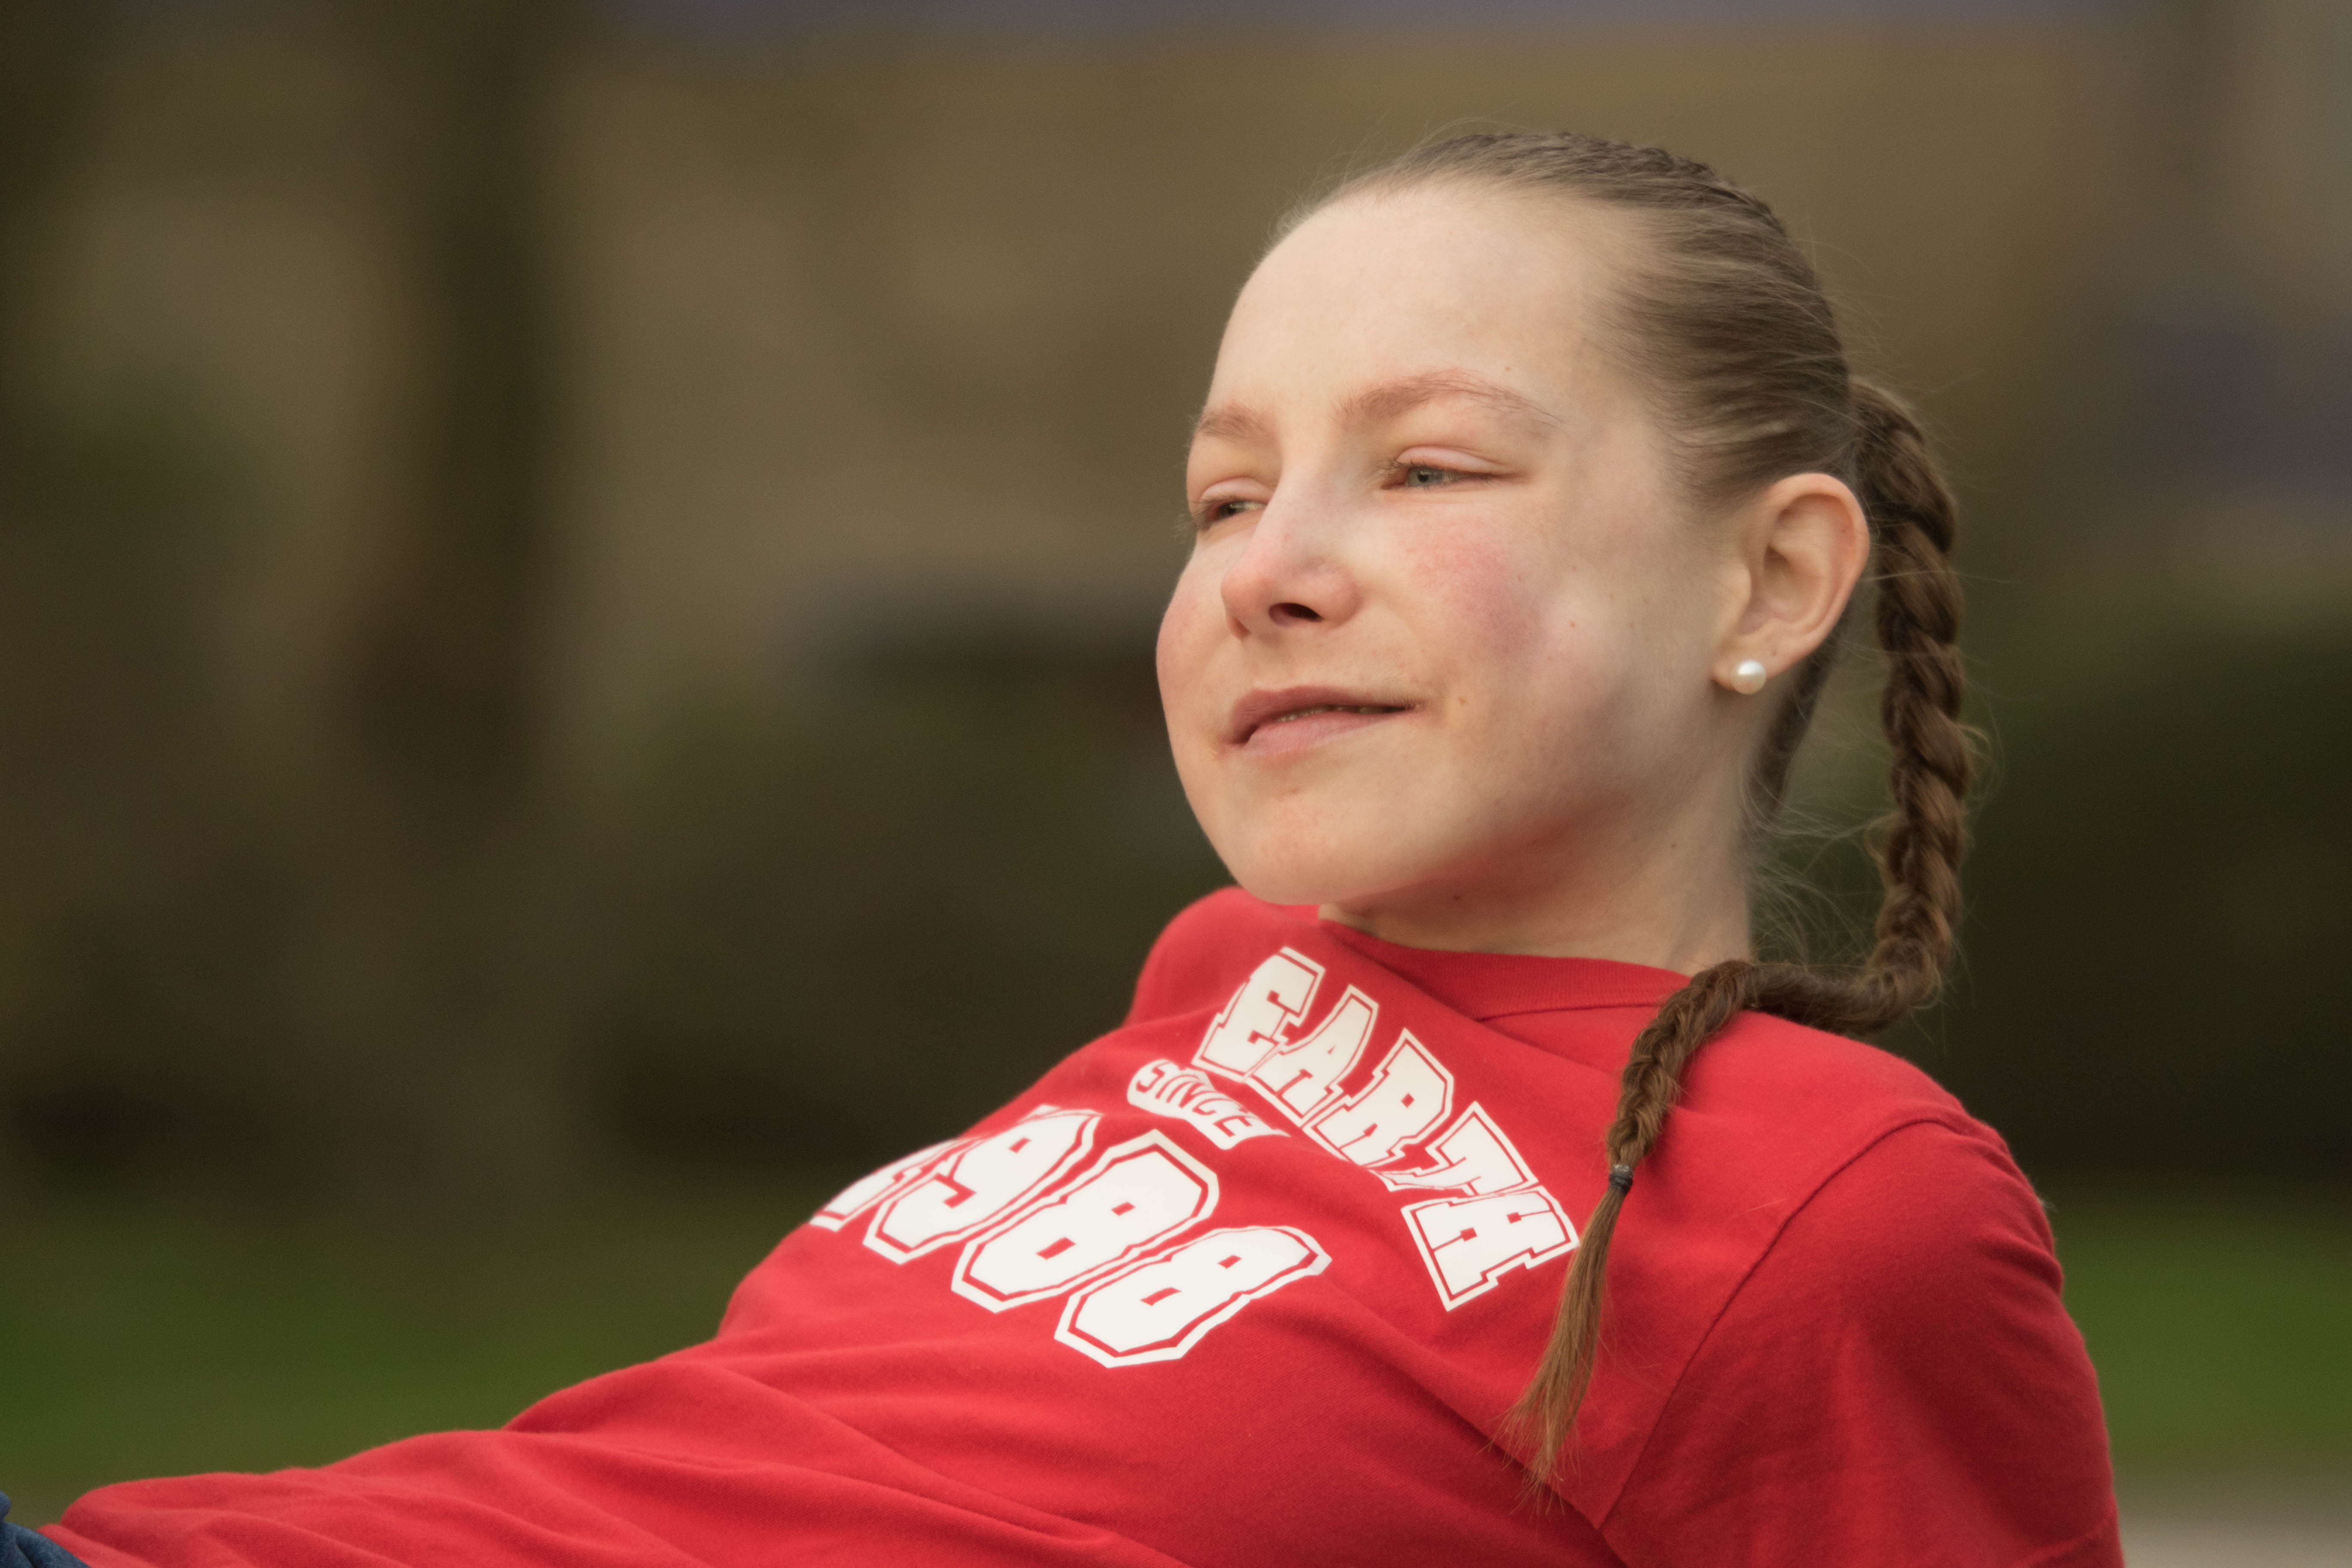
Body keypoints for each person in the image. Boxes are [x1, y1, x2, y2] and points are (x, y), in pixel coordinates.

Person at [13, 132, 2121, 1567]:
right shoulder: (1231, 984)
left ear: (1771, 578)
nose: (1269, 568)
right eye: (1224, 499)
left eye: (1426, 468)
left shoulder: (1830, 1209)